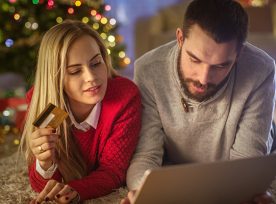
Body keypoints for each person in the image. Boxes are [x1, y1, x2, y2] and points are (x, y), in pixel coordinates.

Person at [122, 0, 276, 203]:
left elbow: (245, 166)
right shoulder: (148, 70)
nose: (203, 78)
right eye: (194, 59)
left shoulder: (261, 70)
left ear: (239, 54)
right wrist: (144, 193)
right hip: (176, 166)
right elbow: (146, 155)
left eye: (220, 66)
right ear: (179, 38)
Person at [20, 20, 141, 203]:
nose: (91, 78)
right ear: (56, 78)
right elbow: (43, 189)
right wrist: (44, 163)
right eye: (75, 71)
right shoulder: (46, 104)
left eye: (96, 63)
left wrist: (76, 191)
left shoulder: (124, 96)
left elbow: (113, 171)